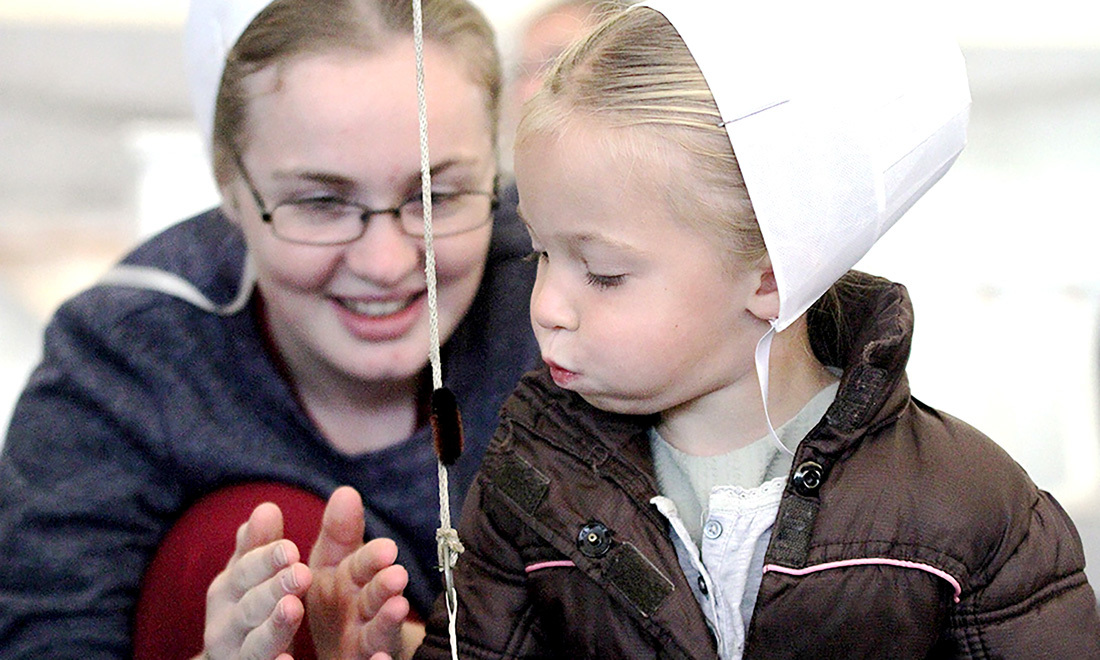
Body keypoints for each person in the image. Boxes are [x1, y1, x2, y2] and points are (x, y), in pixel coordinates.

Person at [413, 1, 1100, 658]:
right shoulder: (531, 475)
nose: (548, 306)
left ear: (771, 277)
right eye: (540, 252)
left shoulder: (970, 505)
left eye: (602, 272)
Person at [0, 0, 538, 658]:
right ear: (229, 187)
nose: (386, 263)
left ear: (498, 171)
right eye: (320, 202)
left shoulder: (564, 292)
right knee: (248, 535)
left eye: (438, 197)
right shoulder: (131, 353)